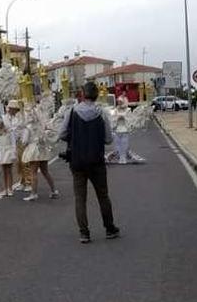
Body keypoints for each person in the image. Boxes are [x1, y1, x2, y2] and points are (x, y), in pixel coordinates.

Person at [59, 81, 120, 243]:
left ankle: (84, 232)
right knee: (103, 196)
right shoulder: (102, 113)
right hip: (97, 161)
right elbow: (108, 139)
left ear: (82, 94)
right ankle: (109, 228)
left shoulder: (72, 111)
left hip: (77, 161)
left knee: (80, 198)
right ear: (97, 95)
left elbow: (62, 134)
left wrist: (75, 137)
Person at [20, 106, 60, 202]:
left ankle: (34, 193)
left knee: (33, 172)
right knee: (45, 171)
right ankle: (54, 190)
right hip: (42, 149)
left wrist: (22, 142)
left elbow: (24, 141)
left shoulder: (28, 128)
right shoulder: (40, 126)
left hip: (33, 149)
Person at [3, 99, 32, 192]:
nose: (10, 110)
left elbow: (26, 128)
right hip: (15, 142)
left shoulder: (22, 117)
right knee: (18, 163)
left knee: (25, 162)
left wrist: (24, 139)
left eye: (12, 108)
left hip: (22, 141)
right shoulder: (10, 118)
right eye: (10, 108)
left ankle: (29, 182)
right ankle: (23, 181)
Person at [0, 117, 17, 197]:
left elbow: (13, 142)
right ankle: (5, 189)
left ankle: (10, 188)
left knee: (9, 170)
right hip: (1, 152)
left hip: (8, 151)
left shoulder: (10, 131)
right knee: (3, 171)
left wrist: (14, 153)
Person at [111, 95, 131, 164]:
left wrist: (124, 117)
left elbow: (130, 120)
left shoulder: (128, 110)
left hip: (125, 129)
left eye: (120, 102)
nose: (119, 103)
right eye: (118, 102)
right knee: (118, 144)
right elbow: (112, 119)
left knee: (124, 144)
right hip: (117, 129)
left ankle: (124, 158)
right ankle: (120, 157)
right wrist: (117, 118)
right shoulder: (115, 110)